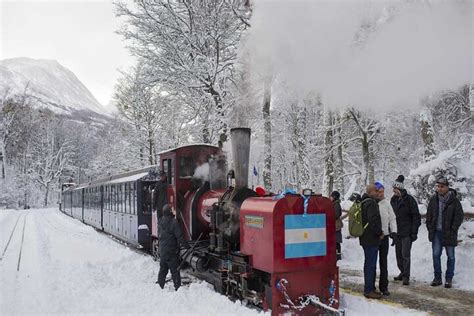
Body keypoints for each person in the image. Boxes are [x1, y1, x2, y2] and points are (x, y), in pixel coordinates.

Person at [426, 177, 464, 288]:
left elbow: (459, 216)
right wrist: (430, 227)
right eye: (438, 186)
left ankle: (449, 279)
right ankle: (437, 278)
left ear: (447, 187)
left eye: (442, 186)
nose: (439, 188)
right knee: (435, 255)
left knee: (451, 256)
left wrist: (453, 228)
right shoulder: (434, 200)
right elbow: (429, 215)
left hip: (449, 233)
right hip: (436, 232)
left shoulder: (454, 200)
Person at [390, 175, 421, 286]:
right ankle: (402, 272)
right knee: (398, 254)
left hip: (407, 232)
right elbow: (391, 216)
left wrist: (414, 232)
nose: (393, 190)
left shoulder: (410, 200)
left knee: (405, 255)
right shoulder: (393, 200)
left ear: (400, 189)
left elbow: (416, 217)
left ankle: (406, 276)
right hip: (397, 232)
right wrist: (391, 231)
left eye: (395, 188)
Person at [156, 204, 189, 291]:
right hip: (171, 251)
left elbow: (159, 236)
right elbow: (180, 236)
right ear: (170, 212)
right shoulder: (174, 222)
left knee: (163, 270)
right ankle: (178, 289)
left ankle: (159, 287)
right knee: (175, 271)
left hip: (163, 250)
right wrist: (187, 246)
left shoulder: (160, 221)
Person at [373, 181, 397, 296]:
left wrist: (394, 232)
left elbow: (392, 218)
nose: (381, 194)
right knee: (372, 262)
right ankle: (371, 286)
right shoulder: (372, 203)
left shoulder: (387, 204)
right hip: (373, 237)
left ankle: (384, 286)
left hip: (385, 236)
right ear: (375, 192)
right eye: (379, 192)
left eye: (382, 191)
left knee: (384, 262)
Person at [360, 185, 384, 299]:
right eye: (376, 190)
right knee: (370, 265)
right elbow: (373, 221)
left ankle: (370, 287)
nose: (378, 192)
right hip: (371, 238)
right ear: (370, 192)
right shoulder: (371, 204)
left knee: (368, 264)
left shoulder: (363, 202)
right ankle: (369, 289)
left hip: (365, 237)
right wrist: (380, 233)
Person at [330, 191, 343, 260]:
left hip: (336, 226)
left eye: (331, 196)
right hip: (335, 225)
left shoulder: (336, 204)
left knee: (337, 241)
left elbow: (336, 215)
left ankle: (338, 255)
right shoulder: (334, 204)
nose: (330, 197)